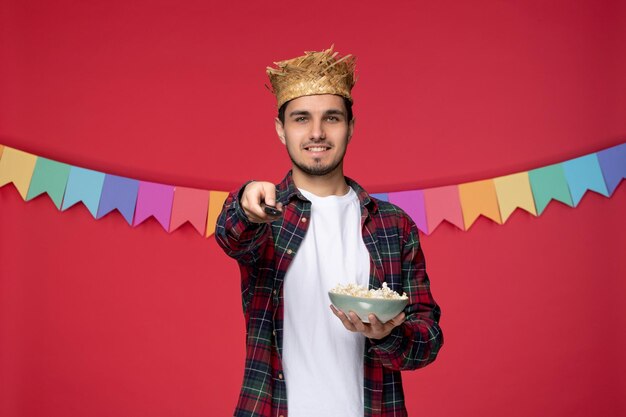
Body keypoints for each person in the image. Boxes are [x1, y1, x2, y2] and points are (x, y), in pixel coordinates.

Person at [215, 45, 443, 417]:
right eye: (301, 118)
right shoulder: (266, 213)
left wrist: (388, 335)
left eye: (332, 118)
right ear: (280, 129)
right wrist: (245, 202)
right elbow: (232, 233)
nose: (317, 132)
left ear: (351, 127)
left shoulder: (394, 225)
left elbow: (428, 339)